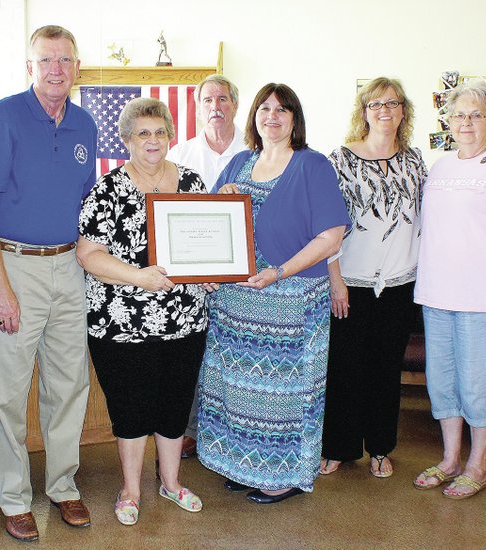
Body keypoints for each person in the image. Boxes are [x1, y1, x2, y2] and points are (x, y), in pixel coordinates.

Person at [0, 25, 96, 541]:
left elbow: (90, 204)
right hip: (13, 264)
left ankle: (64, 487)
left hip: (69, 266)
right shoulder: (5, 116)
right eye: (46, 60)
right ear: (30, 67)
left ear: (76, 68)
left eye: (65, 60)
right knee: (9, 392)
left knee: (68, 384)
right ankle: (14, 497)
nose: (56, 70)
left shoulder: (86, 124)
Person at [197, 83, 350, 504]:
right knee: (240, 389)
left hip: (291, 299)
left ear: (295, 119)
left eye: (283, 110)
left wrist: (278, 272)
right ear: (254, 116)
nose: (272, 116)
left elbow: (331, 236)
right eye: (265, 108)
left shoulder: (312, 165)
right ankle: (244, 465)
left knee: (282, 393)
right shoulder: (240, 163)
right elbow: (210, 224)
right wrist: (222, 198)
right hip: (237, 304)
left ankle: (282, 474)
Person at [77, 97, 208, 526]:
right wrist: (139, 277)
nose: (152, 141)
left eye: (159, 132)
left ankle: (171, 483)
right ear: (127, 139)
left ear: (171, 136)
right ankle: (131, 490)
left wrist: (211, 273)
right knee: (131, 410)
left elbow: (209, 245)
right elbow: (88, 254)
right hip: (122, 323)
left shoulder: (191, 182)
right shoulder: (109, 188)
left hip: (186, 321)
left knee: (174, 405)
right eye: (142, 133)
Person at [412, 79, 486, 499]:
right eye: (459, 114)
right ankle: (450, 459)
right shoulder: (440, 166)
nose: (466, 122)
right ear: (448, 120)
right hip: (437, 294)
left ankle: (477, 466)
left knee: (478, 383)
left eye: (476, 115)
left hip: (484, 299)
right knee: (442, 382)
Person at [319, 78, 428, 478]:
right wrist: (335, 279)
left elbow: (425, 222)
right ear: (363, 111)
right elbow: (326, 224)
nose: (385, 110)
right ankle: (338, 448)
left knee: (385, 370)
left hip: (399, 284)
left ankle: (381, 448)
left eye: (393, 103)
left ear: (404, 111)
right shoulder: (340, 159)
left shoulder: (415, 161)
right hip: (351, 283)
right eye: (375, 104)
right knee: (344, 369)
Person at [166, 74, 248, 459]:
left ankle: (231, 429)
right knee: (192, 352)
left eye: (223, 99)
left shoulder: (255, 152)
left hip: (244, 275)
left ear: (235, 104)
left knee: (235, 353)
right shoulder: (180, 155)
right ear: (198, 107)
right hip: (194, 275)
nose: (216, 106)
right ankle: (189, 429)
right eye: (208, 100)